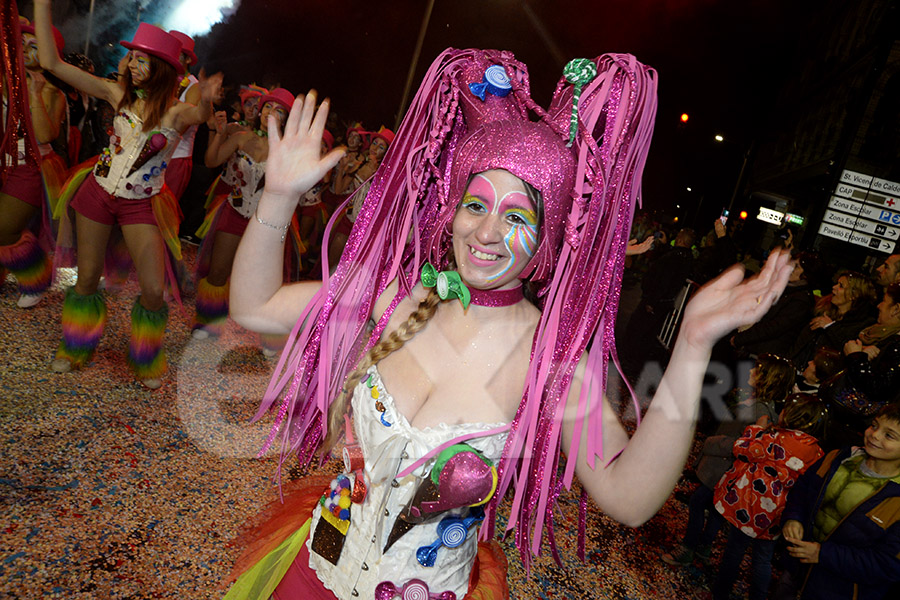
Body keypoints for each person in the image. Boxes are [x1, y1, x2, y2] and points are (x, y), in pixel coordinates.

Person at [222, 49, 792, 599]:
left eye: (517, 215)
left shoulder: (549, 358)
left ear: (549, 239)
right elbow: (256, 307)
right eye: (476, 206)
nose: (487, 233)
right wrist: (276, 198)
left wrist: (693, 347)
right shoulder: (396, 298)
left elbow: (630, 496)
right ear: (453, 210)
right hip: (310, 572)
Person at [34, 0, 221, 389]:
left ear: (162, 70)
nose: (131, 65)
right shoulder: (116, 94)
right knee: (86, 279)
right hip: (97, 194)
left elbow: (199, 116)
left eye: (141, 60)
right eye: (131, 57)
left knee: (153, 290)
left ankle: (147, 354)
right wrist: (41, 5)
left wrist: (204, 97)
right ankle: (76, 345)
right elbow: (52, 64)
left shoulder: (174, 114)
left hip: (141, 205)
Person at [661, 352, 793, 568]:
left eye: (757, 370)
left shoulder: (761, 412)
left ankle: (688, 547)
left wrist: (713, 443)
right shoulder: (756, 402)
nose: (751, 371)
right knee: (715, 510)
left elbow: (747, 445)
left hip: (725, 467)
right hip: (723, 466)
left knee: (697, 503)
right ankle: (704, 547)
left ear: (768, 379)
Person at [192, 88, 299, 342]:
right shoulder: (242, 137)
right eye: (268, 108)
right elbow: (211, 161)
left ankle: (270, 337)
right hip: (234, 212)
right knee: (218, 273)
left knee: (263, 285)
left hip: (265, 226)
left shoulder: (287, 150)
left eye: (279, 111)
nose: (270, 114)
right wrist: (218, 135)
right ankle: (209, 323)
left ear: (285, 119)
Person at [776, 402, 900, 600]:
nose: (874, 435)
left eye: (889, 435)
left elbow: (888, 565)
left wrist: (823, 554)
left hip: (840, 590)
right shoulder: (838, 458)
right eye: (874, 426)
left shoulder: (895, 499)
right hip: (796, 569)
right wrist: (793, 518)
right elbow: (802, 491)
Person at [709, 394, 826, 600]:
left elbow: (741, 449)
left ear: (790, 415)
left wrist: (756, 429)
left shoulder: (771, 439)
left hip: (749, 507)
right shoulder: (817, 453)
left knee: (734, 550)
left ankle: (721, 592)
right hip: (778, 515)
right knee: (763, 559)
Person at [0, 17, 67, 308]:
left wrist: (35, 94)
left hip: (32, 165)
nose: (27, 50)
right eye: (23, 44)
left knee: (5, 227)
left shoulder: (55, 92)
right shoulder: (6, 80)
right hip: (4, 162)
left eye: (35, 46)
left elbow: (44, 133)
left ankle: (36, 275)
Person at [819, 282, 900, 449]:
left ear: (896, 309)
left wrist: (856, 356)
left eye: (884, 301)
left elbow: (879, 387)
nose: (879, 306)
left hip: (853, 430)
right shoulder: (882, 337)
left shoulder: (896, 345)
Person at [789, 271, 877, 368]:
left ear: (854, 295)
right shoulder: (823, 311)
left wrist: (830, 327)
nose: (834, 287)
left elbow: (847, 347)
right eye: (837, 283)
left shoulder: (863, 323)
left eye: (841, 286)